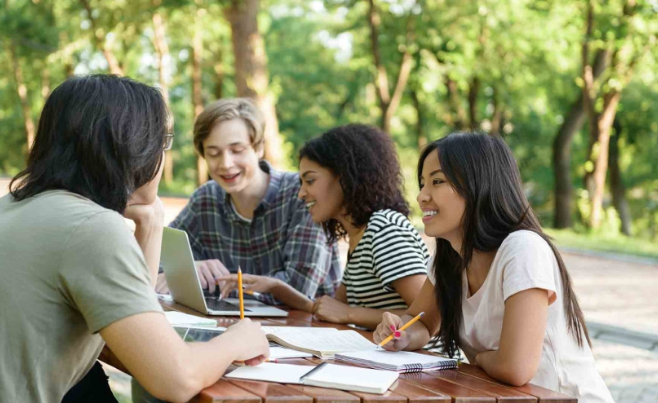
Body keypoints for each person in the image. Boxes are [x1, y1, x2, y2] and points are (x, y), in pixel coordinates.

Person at [0, 75, 269, 403]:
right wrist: (236, 341)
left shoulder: (14, 206)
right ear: (135, 148)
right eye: (162, 142)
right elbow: (176, 379)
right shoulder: (90, 228)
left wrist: (152, 221)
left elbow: (130, 326)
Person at [373, 133, 614, 402]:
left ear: (480, 185)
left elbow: (516, 368)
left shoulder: (522, 249)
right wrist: (401, 334)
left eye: (437, 181)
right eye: (422, 184)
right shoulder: (449, 259)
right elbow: (423, 323)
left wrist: (482, 359)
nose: (421, 196)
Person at [218, 124, 429, 330]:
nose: (301, 193)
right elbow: (325, 308)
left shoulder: (384, 229)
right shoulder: (359, 237)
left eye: (310, 180)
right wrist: (274, 286)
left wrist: (349, 314)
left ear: (346, 178)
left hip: (425, 362)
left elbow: (429, 315)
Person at [156, 98, 341, 305]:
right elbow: (156, 258)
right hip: (232, 327)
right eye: (214, 153)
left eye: (237, 150)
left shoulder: (301, 195)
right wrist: (189, 269)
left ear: (259, 147)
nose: (226, 164)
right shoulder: (205, 200)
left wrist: (198, 282)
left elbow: (297, 289)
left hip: (307, 328)